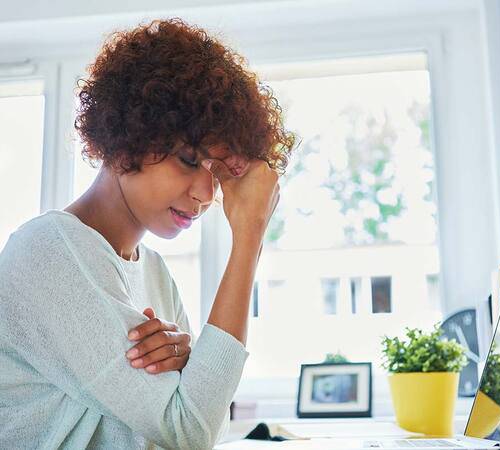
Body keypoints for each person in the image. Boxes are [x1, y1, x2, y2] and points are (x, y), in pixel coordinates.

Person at [0, 18, 295, 449]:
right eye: (190, 160)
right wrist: (248, 238)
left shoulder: (153, 272)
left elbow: (206, 422)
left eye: (217, 173)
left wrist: (192, 367)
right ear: (125, 140)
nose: (206, 194)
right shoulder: (47, 252)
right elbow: (188, 431)